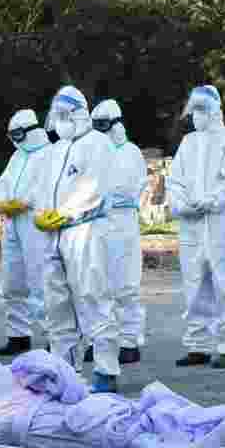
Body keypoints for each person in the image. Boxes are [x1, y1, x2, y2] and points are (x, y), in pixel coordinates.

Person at [35, 86, 120, 393]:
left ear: (78, 115)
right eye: (55, 116)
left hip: (87, 230)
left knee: (93, 298)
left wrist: (67, 213)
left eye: (63, 116)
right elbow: (44, 187)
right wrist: (42, 213)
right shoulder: (56, 150)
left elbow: (95, 187)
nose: (58, 122)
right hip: (55, 235)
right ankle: (65, 370)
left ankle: (105, 370)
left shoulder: (98, 144)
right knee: (57, 304)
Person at [165, 85, 225, 369]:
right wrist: (182, 203)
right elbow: (174, 179)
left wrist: (213, 201)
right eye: (194, 110)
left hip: (223, 222)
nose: (197, 115)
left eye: (202, 110)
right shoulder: (188, 143)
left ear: (214, 111)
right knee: (194, 284)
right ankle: (198, 345)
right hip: (192, 225)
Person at [91, 99, 147, 364]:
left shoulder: (130, 152)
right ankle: (101, 339)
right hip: (96, 223)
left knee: (125, 285)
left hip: (122, 222)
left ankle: (129, 340)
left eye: (104, 125)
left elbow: (126, 188)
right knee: (97, 284)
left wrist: (101, 195)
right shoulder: (92, 151)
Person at [0, 109, 52, 356]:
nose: (15, 139)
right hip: (12, 221)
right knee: (12, 280)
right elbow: (1, 185)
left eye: (18, 133)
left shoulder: (49, 155)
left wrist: (25, 202)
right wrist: (2, 202)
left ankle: (53, 335)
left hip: (35, 221)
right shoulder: (18, 157)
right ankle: (18, 334)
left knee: (40, 279)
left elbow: (46, 188)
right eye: (12, 134)